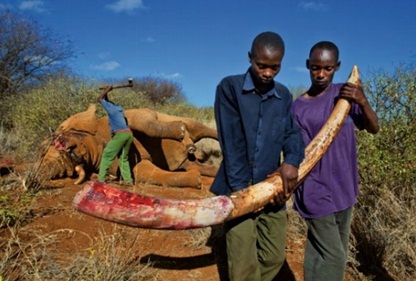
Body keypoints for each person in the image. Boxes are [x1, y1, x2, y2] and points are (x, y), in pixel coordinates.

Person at [210, 31, 305, 281]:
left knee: (273, 256)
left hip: (272, 189)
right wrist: (245, 196)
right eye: (261, 65)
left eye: (275, 67)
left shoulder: (283, 95)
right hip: (237, 187)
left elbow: (291, 134)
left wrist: (291, 162)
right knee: (242, 261)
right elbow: (232, 144)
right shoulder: (229, 88)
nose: (267, 73)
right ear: (250, 57)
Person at [291, 41, 379, 281]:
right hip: (314, 191)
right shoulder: (297, 107)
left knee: (321, 251)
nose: (321, 74)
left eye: (328, 68)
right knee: (335, 257)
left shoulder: (346, 94)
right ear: (308, 66)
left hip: (345, 189)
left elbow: (373, 128)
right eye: (316, 68)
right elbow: (298, 152)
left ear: (337, 67)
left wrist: (362, 101)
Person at [97, 85, 134, 186]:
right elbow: (107, 102)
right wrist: (106, 91)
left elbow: (99, 99)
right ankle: (128, 181)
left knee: (107, 154)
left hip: (121, 134)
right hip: (129, 134)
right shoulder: (119, 109)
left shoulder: (111, 110)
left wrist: (107, 89)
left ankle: (101, 179)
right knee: (123, 158)